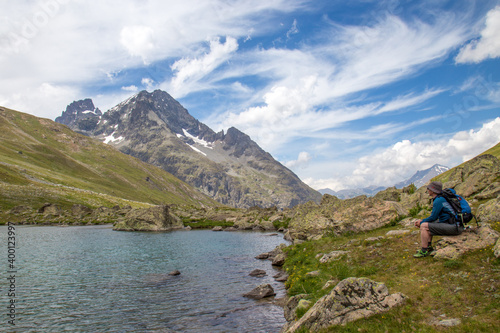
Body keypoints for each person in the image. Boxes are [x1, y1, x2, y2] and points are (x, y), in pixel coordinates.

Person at [413, 181, 464, 258]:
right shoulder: (441, 198)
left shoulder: (438, 200)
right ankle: (428, 247)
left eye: (429, 189)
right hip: (455, 225)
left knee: (424, 226)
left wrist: (421, 222)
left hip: (454, 227)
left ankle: (424, 251)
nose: (427, 190)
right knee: (429, 225)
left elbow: (433, 217)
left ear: (433, 190)